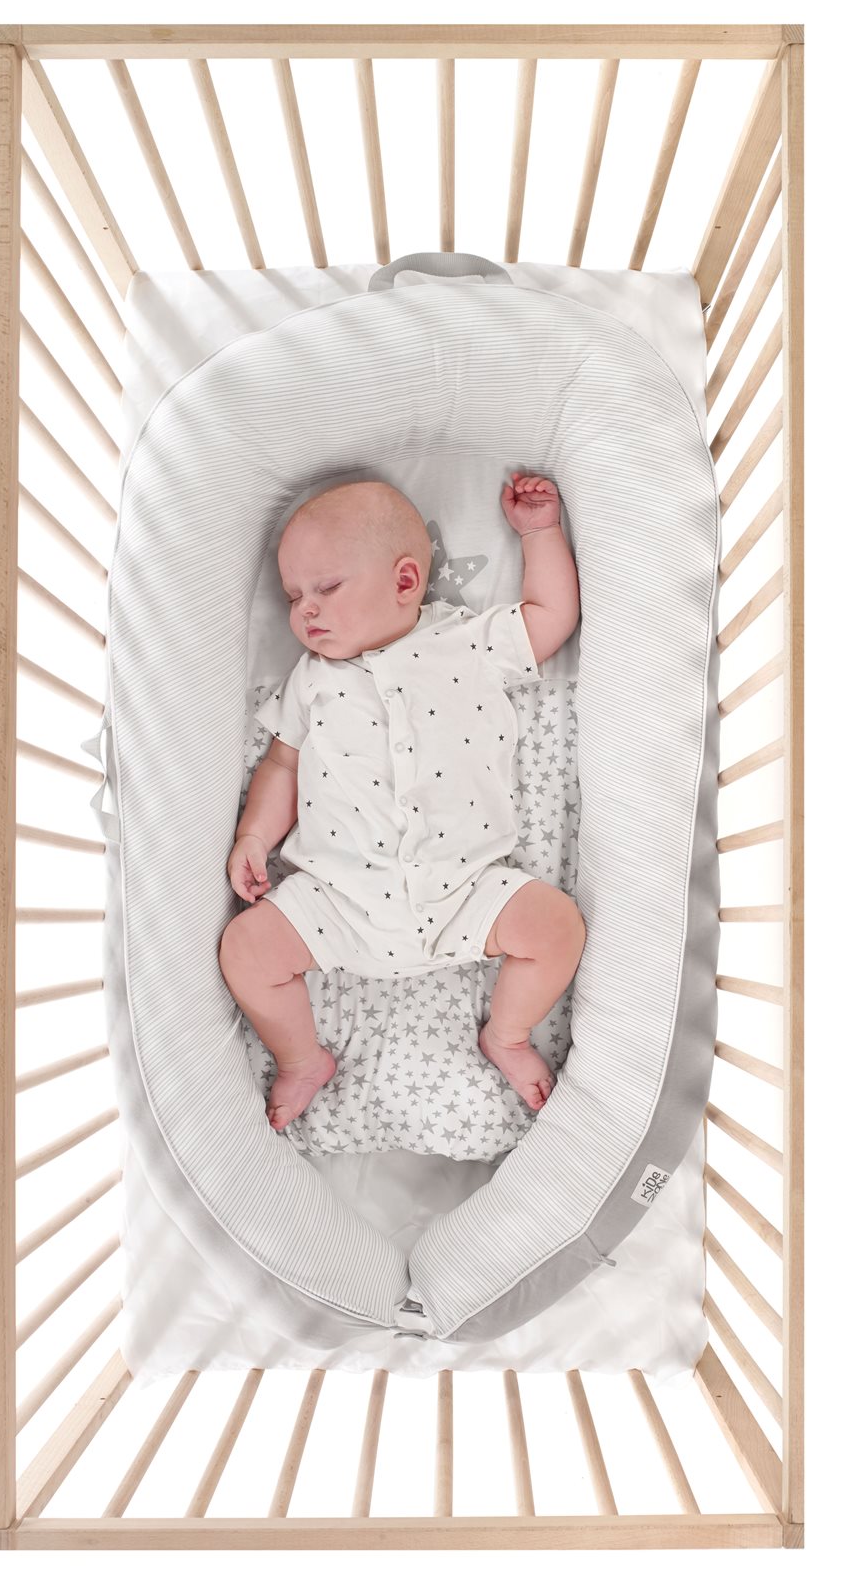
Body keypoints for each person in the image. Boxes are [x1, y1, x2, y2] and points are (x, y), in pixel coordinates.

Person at [219, 476, 586, 1132]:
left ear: (407, 580)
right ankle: (301, 1057)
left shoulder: (469, 643)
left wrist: (539, 533)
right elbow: (282, 764)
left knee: (558, 927)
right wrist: (254, 838)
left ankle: (506, 1034)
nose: (305, 610)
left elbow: (551, 615)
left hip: (465, 890)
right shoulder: (311, 681)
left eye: (326, 588)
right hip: (337, 900)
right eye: (294, 597)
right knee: (244, 949)